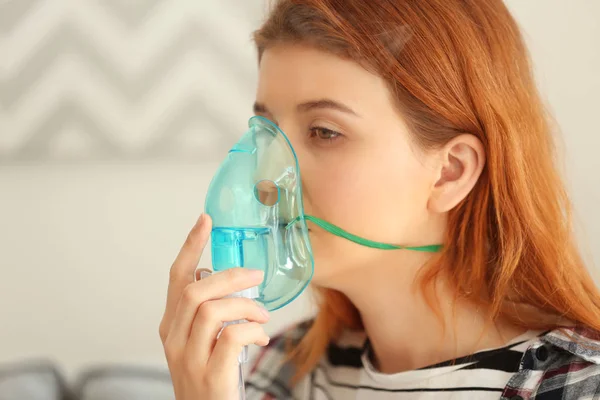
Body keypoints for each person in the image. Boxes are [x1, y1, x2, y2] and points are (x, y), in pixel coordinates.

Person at [158, 0, 600, 399]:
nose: (264, 179)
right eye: (268, 129)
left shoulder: (574, 385)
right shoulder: (284, 370)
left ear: (450, 172)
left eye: (324, 132)